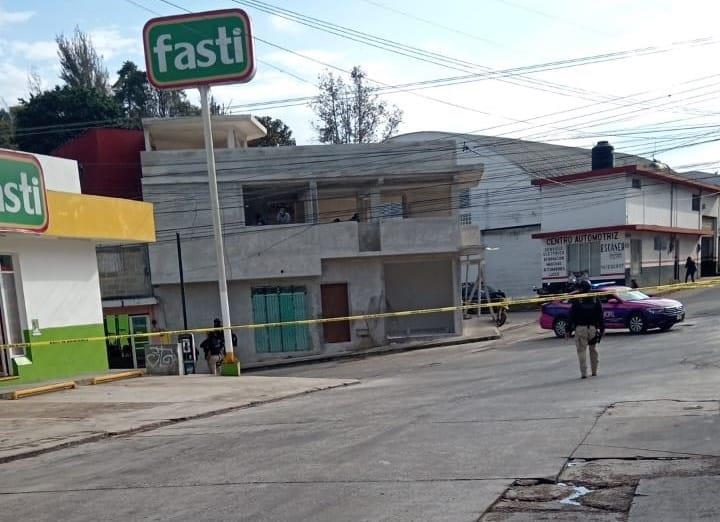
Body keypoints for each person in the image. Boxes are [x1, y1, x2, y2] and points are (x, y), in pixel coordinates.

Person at [566, 280, 605, 379]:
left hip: (580, 329)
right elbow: (600, 315)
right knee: (593, 350)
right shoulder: (595, 299)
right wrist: (602, 328)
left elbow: (571, 316)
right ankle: (594, 371)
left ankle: (584, 373)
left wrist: (568, 330)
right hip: (592, 328)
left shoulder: (577, 300)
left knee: (581, 351)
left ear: (581, 289)